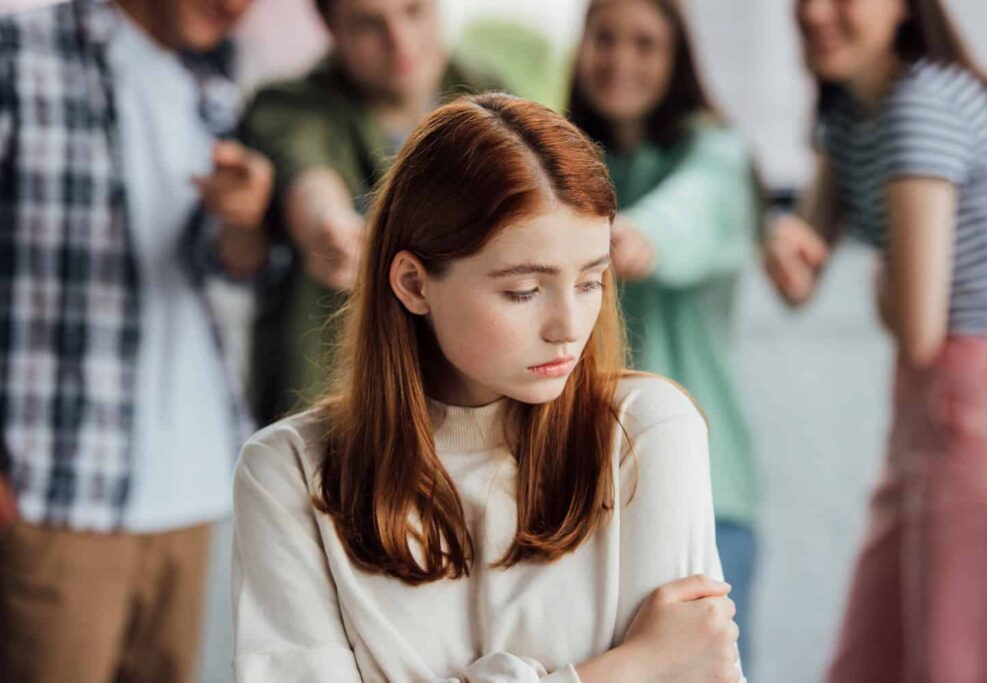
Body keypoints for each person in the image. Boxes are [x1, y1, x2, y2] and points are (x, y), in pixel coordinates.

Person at [232, 93, 744, 683]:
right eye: (524, 290)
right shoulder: (287, 471)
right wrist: (628, 668)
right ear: (413, 284)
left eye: (591, 280)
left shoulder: (648, 431)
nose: (569, 328)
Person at [0, 1, 273, 681]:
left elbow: (223, 265)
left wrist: (245, 221)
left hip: (188, 488)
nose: (239, 7)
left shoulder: (212, 81)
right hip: (55, 491)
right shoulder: (17, 51)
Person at [764, 0, 987, 680]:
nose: (815, 12)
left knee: (955, 655)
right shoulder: (850, 112)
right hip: (933, 405)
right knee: (873, 652)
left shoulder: (922, 108)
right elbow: (802, 279)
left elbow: (917, 328)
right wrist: (785, 245)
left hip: (980, 396)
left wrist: (882, 276)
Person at [567, 0, 762, 659]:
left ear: (676, 58)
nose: (621, 59)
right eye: (606, 39)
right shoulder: (564, 156)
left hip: (706, 487)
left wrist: (636, 235)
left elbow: (694, 207)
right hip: (584, 489)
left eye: (645, 43)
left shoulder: (715, 151)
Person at [241, 0, 502, 425]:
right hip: (332, 415)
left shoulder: (491, 94)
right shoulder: (291, 105)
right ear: (329, 26)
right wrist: (329, 230)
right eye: (368, 25)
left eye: (413, 11)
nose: (399, 41)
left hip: (466, 415)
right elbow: (309, 176)